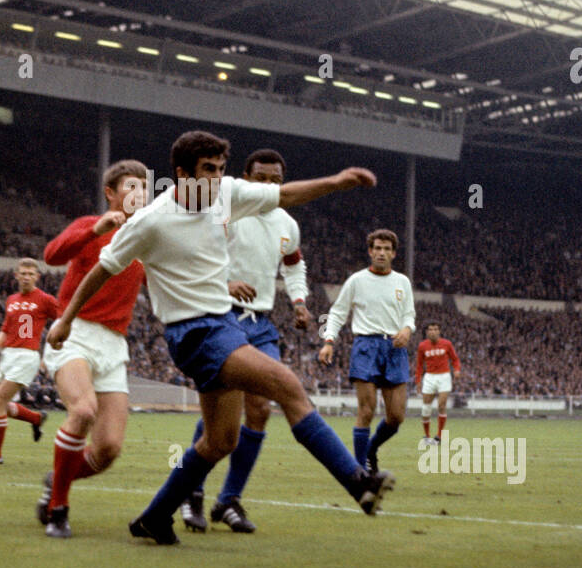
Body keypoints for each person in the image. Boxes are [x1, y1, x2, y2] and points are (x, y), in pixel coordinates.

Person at [48, 130, 392, 545]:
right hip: (193, 333)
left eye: (220, 169)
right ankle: (358, 483)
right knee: (288, 385)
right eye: (207, 170)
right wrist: (65, 320)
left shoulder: (225, 194)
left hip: (222, 324)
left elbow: (284, 196)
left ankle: (154, 518)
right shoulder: (151, 220)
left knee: (219, 441)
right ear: (181, 173)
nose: (216, 177)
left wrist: (336, 182)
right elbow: (101, 269)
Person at [180, 148, 310, 535]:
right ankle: (193, 492)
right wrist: (224, 283)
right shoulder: (227, 212)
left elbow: (293, 262)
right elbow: (194, 256)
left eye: (275, 180)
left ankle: (229, 500)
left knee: (260, 408)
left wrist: (300, 302)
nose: (268, 186)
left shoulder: (287, 222)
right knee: (219, 411)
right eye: (260, 179)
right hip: (223, 316)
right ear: (245, 179)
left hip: (262, 322)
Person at [35, 159, 149, 538]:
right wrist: (94, 230)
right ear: (111, 193)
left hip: (114, 345)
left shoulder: (148, 238)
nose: (139, 194)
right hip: (74, 333)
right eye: (131, 187)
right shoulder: (90, 224)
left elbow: (176, 276)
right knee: (82, 411)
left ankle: (57, 480)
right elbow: (51, 255)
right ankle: (58, 510)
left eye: (144, 187)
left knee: (108, 450)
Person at [319, 229, 415, 473]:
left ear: (393, 254)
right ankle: (359, 471)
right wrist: (329, 340)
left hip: (394, 348)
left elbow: (409, 314)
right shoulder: (357, 280)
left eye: (386, 249)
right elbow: (338, 312)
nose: (381, 253)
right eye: (377, 248)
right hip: (366, 346)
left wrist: (407, 329)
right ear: (370, 251)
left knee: (396, 417)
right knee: (366, 409)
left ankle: (371, 449)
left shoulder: (402, 282)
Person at [0, 259, 58, 465]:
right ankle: (36, 419)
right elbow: (5, 330)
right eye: (23, 273)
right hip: (8, 355)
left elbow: (64, 319)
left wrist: (53, 349)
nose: (27, 277)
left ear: (37, 277)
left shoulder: (45, 299)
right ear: (16, 276)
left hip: (26, 356)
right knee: (1, 405)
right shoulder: (11, 300)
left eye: (31, 273)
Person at [414, 322, 461, 444]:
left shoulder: (447, 344)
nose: (433, 331)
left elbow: (455, 359)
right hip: (429, 377)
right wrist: (418, 380)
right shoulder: (422, 346)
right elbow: (419, 365)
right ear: (427, 332)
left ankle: (439, 436)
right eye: (430, 329)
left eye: (435, 329)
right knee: (426, 408)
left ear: (439, 331)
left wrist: (456, 370)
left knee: (441, 405)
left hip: (444, 376)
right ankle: (427, 436)